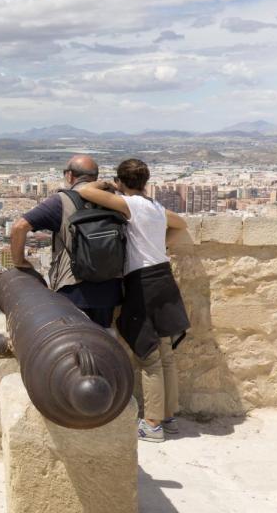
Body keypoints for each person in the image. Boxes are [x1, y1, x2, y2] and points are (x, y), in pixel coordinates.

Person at [75, 159, 190, 442]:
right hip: (164, 277)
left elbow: (85, 192)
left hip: (144, 283)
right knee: (165, 355)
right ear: (146, 180)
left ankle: (152, 425)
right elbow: (181, 225)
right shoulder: (155, 208)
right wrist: (162, 246)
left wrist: (108, 185)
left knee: (149, 356)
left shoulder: (132, 205)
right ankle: (169, 416)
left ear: (123, 181)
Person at [10, 155, 123, 328]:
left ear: (69, 175)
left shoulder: (61, 201)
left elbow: (19, 227)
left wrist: (20, 262)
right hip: (110, 288)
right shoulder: (114, 200)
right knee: (103, 339)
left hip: (73, 288)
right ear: (96, 177)